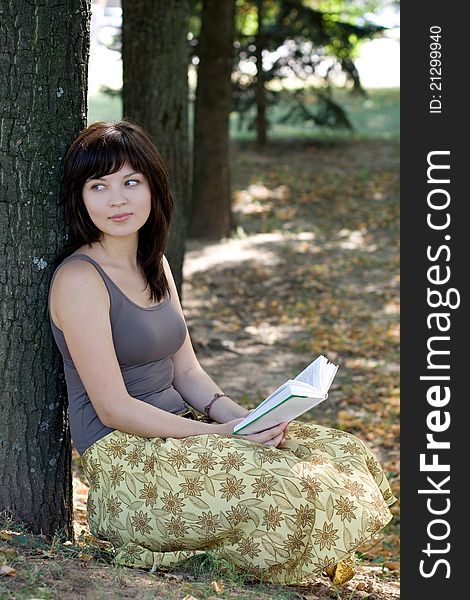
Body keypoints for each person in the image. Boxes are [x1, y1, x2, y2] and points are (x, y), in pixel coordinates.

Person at [48, 120, 396, 586]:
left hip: (182, 434)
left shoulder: (153, 263)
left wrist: (246, 418)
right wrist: (223, 434)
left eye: (131, 182)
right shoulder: (79, 279)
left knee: (340, 453)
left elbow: (186, 367)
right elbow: (114, 408)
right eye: (99, 186)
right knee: (287, 487)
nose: (117, 200)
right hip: (127, 461)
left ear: (153, 187)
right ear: (80, 196)